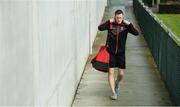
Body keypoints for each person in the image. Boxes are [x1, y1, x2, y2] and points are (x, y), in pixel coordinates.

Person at [98, 9, 139, 100]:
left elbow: (136, 33)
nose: (119, 19)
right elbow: (100, 28)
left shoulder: (126, 26)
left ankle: (117, 82)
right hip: (110, 53)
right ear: (115, 17)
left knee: (121, 74)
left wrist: (129, 24)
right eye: (117, 17)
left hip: (121, 54)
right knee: (111, 72)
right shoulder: (110, 25)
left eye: (120, 18)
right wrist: (109, 21)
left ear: (123, 17)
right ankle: (113, 93)